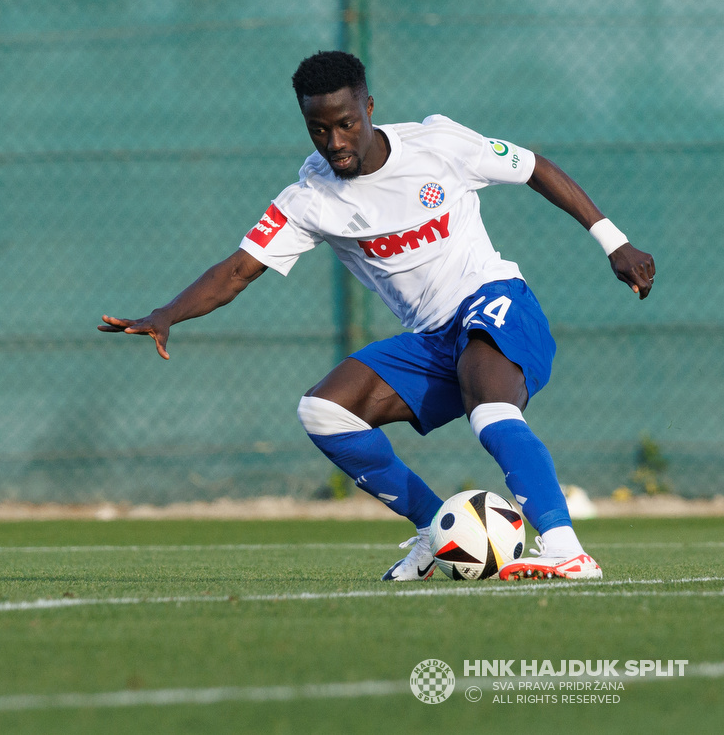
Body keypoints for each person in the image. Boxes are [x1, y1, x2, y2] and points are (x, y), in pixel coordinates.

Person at [101, 50, 655, 581]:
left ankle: (566, 550)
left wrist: (613, 242)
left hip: (495, 302)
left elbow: (534, 168)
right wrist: (167, 313)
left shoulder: (439, 144)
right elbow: (237, 271)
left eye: (344, 124)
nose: (334, 142)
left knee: (490, 413)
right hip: (434, 340)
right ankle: (438, 530)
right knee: (323, 411)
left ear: (368, 108)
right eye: (318, 129)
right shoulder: (311, 198)